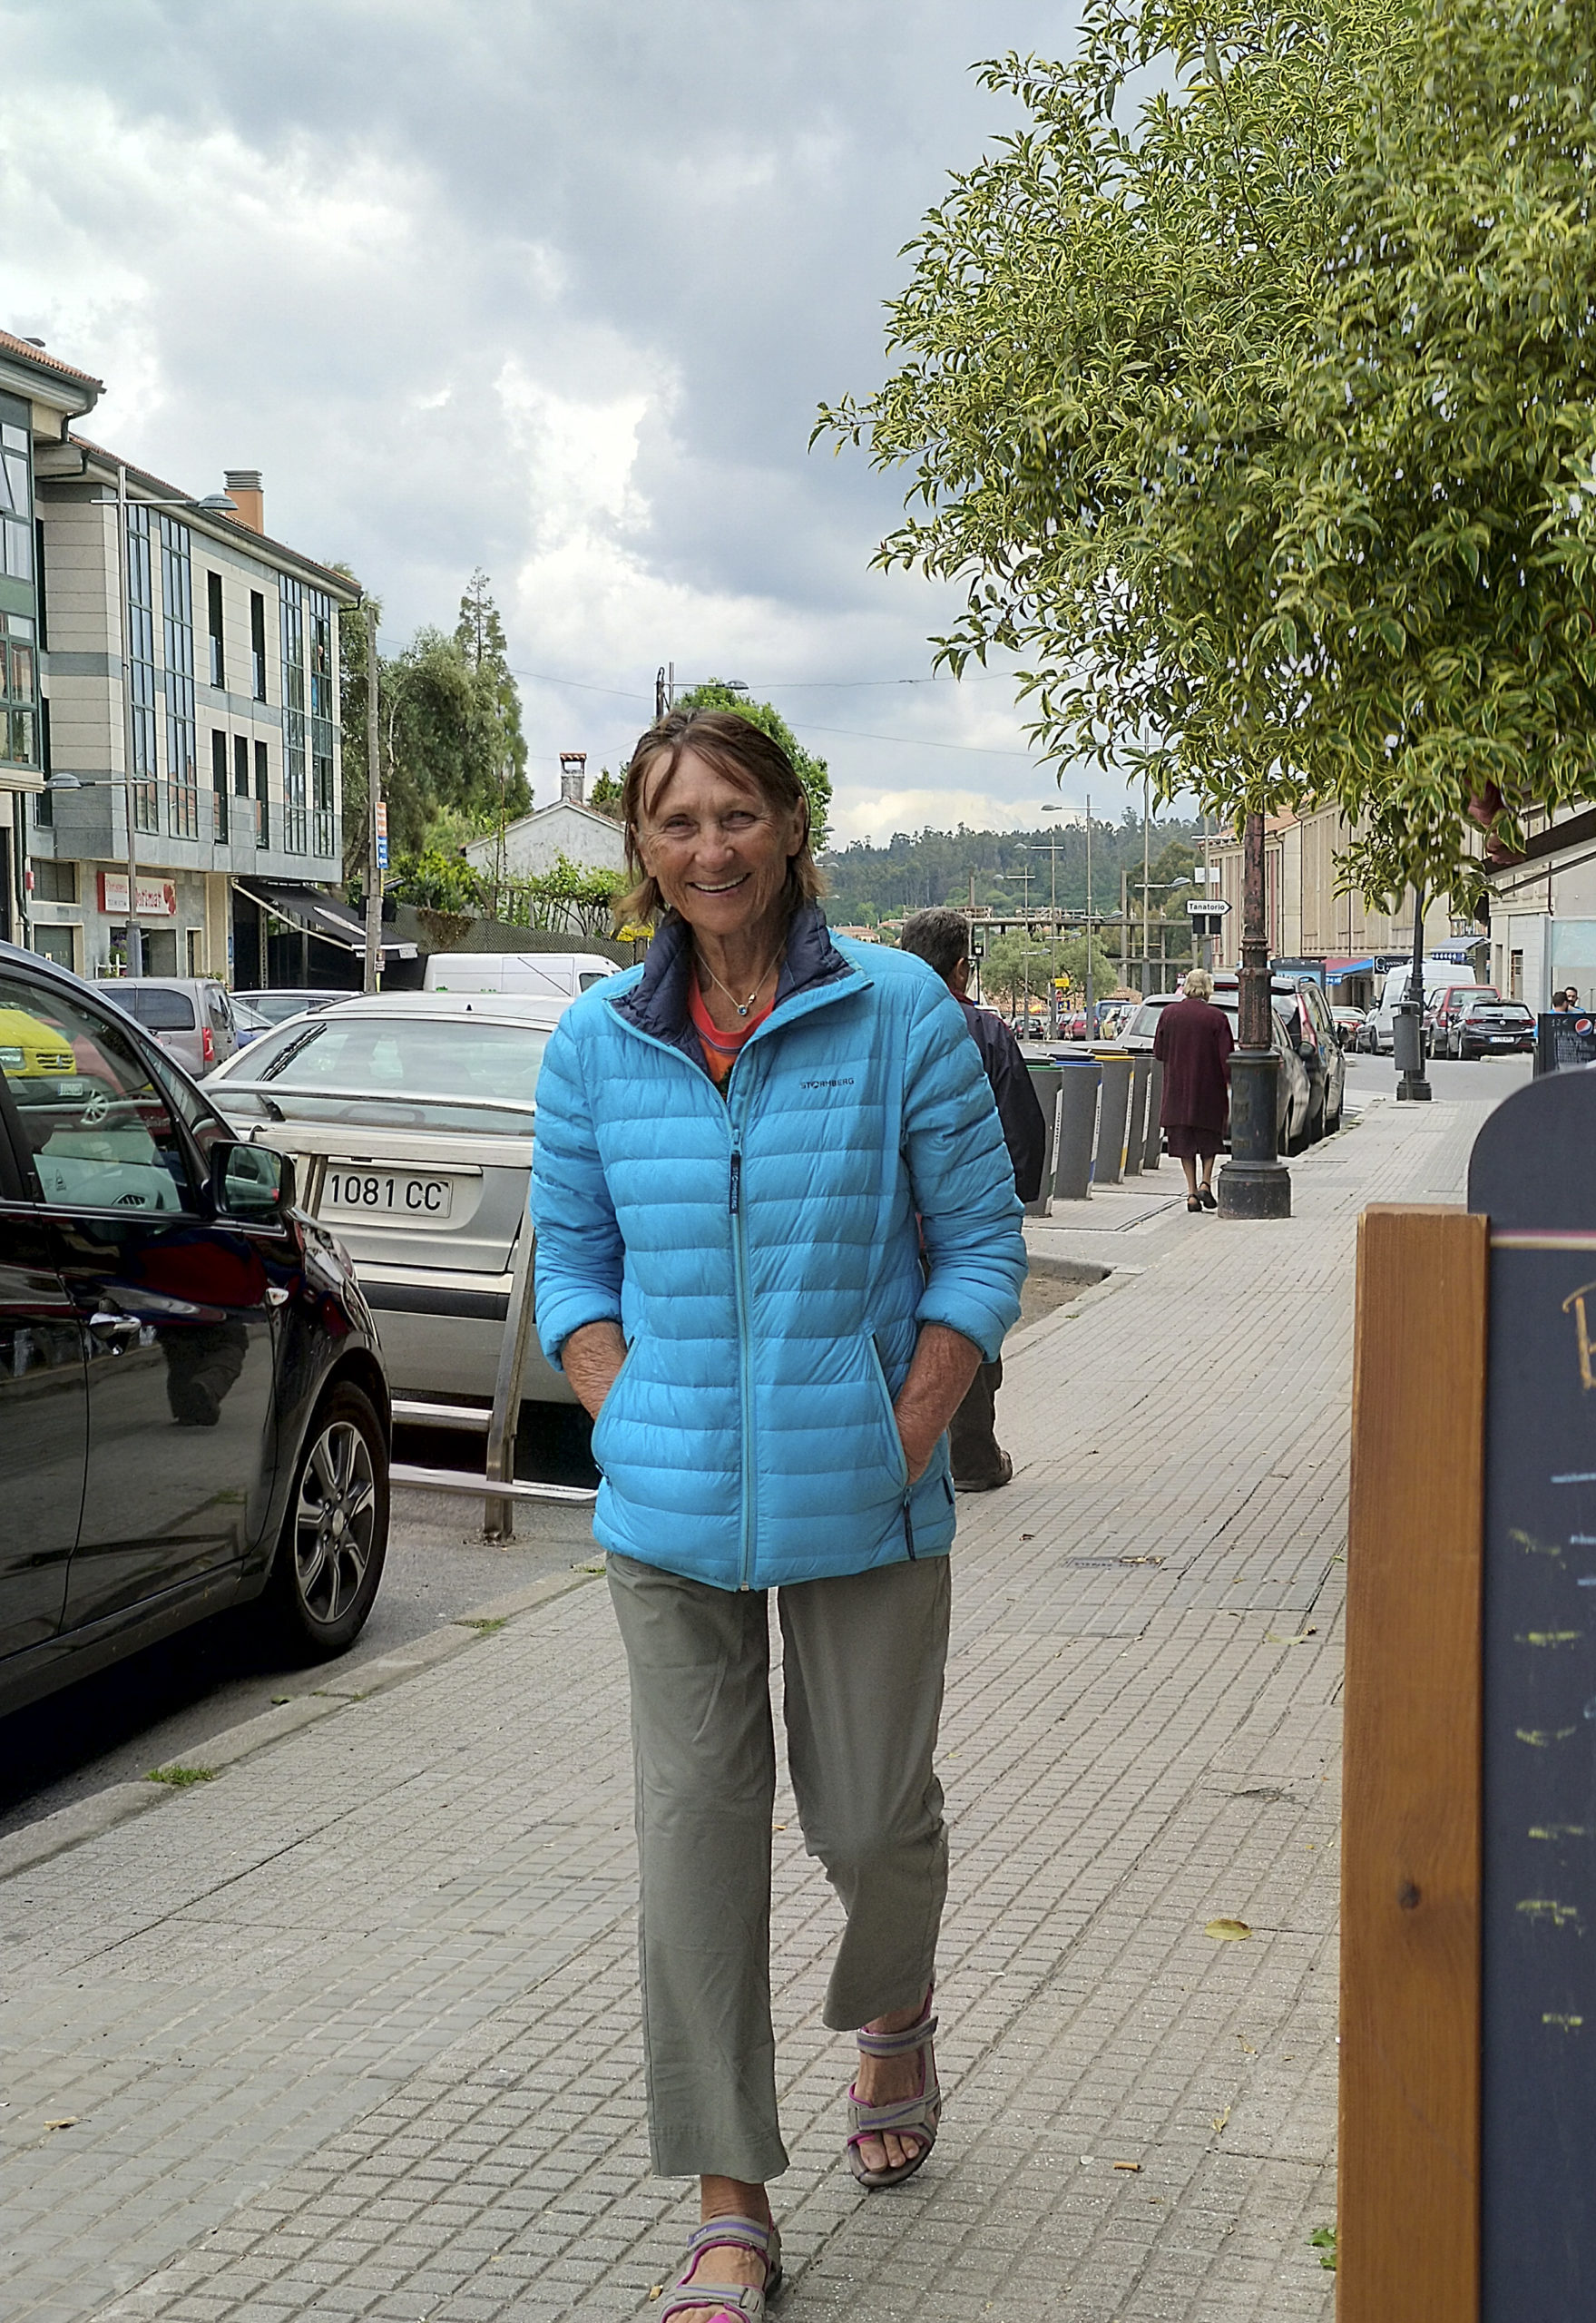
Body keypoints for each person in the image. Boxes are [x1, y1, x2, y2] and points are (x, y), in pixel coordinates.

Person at [530, 709, 1027, 2323]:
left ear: (793, 823)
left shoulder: (896, 1012)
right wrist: (619, 1400)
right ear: (643, 852)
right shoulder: (598, 1039)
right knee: (695, 1842)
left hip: (865, 1492)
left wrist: (910, 1429)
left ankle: (893, 2007)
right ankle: (729, 2198)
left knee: (872, 1823)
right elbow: (576, 1256)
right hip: (666, 1513)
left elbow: (978, 1245)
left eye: (736, 815)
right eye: (676, 824)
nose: (709, 851)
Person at [899, 907, 1047, 1491]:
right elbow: (1021, 1128)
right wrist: (1012, 1207)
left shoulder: (873, 1029)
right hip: (960, 1219)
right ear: (961, 967)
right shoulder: (984, 1030)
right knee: (966, 1325)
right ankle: (974, 1459)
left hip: (887, 1219)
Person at [1154, 967, 1233, 1211]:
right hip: (1209, 1091)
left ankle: (1190, 1193)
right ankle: (1206, 1183)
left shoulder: (1169, 1014)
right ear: (1208, 989)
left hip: (1178, 1089)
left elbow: (1159, 1052)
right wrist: (1230, 1081)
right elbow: (1226, 1057)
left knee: (1184, 1142)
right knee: (1209, 1139)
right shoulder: (1217, 1018)